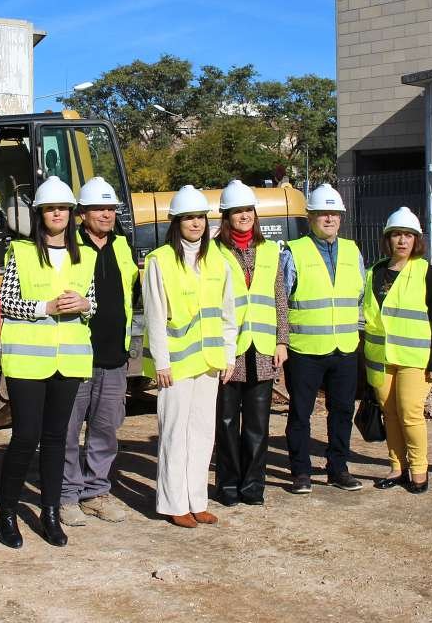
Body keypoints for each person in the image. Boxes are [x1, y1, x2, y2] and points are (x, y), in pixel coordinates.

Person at [0, 176, 97, 548]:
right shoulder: (20, 252)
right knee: (25, 436)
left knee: (59, 439)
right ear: (40, 215)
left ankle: (50, 512)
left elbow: (93, 302)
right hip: (27, 361)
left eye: (64, 209)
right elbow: (7, 302)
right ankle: (7, 512)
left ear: (72, 215)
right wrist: (46, 308)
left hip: (68, 361)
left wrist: (86, 305)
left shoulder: (84, 255)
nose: (58, 214)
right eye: (51, 209)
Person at [143, 185, 237, 527]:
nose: (195, 223)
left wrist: (229, 356)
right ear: (176, 221)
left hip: (210, 361)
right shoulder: (160, 260)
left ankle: (197, 499)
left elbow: (229, 314)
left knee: (202, 433)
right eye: (188, 218)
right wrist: (161, 362)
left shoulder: (219, 262)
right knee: (173, 432)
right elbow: (155, 315)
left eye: (199, 217)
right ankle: (172, 502)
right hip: (177, 364)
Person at [60, 177, 139, 527]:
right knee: (68, 429)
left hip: (114, 355)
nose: (106, 214)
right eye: (99, 208)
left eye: (111, 208)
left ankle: (96, 493)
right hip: (77, 355)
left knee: (105, 430)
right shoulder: (67, 246)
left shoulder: (123, 246)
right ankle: (67, 495)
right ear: (83, 213)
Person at [282, 183, 366, 493]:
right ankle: (301, 471)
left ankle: (338, 467)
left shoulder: (352, 250)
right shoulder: (294, 252)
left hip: (344, 347)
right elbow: (284, 299)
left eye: (334, 214)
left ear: (341, 218)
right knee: (301, 413)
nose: (328, 219)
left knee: (343, 410)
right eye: (322, 214)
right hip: (305, 348)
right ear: (310, 217)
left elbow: (359, 294)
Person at [362, 207, 432, 494]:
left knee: (410, 412)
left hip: (414, 358)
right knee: (391, 414)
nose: (402, 241)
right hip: (380, 358)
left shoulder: (429, 273)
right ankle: (397, 467)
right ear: (388, 239)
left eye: (408, 236)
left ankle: (419, 470)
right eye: (397, 235)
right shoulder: (374, 271)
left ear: (416, 240)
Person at [213, 180, 288, 506]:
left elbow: (280, 299)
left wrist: (282, 341)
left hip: (263, 349)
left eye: (248, 210)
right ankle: (228, 486)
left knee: (258, 425)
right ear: (226, 216)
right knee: (227, 422)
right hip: (231, 350)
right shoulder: (213, 251)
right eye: (237, 211)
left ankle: (252, 487)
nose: (244, 216)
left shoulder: (271, 251)